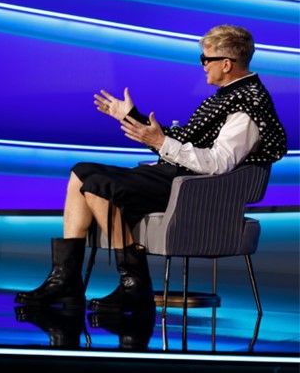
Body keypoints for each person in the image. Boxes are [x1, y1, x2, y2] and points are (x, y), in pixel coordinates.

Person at [14, 24, 287, 314]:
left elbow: (218, 164)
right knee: (82, 172)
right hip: (174, 175)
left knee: (97, 185)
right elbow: (186, 140)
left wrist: (160, 142)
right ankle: (65, 278)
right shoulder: (229, 94)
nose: (202, 66)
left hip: (192, 187)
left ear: (227, 64)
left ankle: (134, 284)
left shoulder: (248, 104)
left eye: (205, 60)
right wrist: (132, 117)